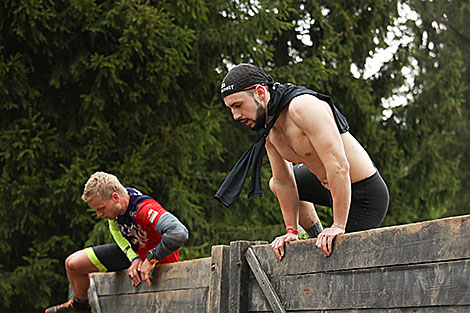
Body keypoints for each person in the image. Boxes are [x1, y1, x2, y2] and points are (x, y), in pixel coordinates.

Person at [215, 63, 388, 260]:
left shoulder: (303, 107)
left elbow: (339, 166)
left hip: (363, 193)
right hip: (329, 187)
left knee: (338, 259)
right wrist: (291, 231)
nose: (235, 116)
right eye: (230, 109)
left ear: (260, 93)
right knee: (275, 183)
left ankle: (331, 231)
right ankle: (313, 234)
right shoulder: (269, 128)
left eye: (238, 105)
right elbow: (283, 181)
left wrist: (338, 226)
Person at [45, 171, 189, 313]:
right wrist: (133, 257)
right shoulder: (117, 209)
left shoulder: (144, 209)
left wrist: (151, 259)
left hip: (158, 263)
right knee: (73, 264)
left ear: (115, 197)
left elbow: (178, 233)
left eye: (101, 209)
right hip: (135, 254)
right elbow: (115, 231)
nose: (99, 215)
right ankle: (80, 306)